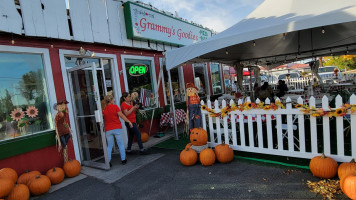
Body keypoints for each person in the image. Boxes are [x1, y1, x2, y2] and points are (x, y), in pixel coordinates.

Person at [102, 94, 133, 167]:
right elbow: (122, 116)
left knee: (109, 146)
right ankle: (123, 160)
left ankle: (108, 161)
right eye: (113, 99)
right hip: (117, 128)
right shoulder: (115, 107)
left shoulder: (104, 109)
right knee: (120, 144)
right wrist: (129, 121)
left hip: (108, 129)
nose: (114, 100)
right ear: (111, 100)